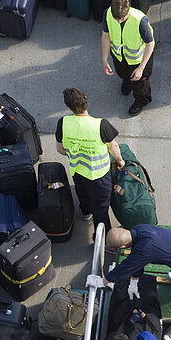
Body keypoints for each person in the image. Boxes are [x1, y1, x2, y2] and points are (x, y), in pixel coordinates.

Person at [104, 226, 171, 340]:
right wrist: (134, 279)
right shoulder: (138, 229)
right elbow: (137, 257)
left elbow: (127, 266)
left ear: (122, 247)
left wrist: (103, 280)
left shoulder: (146, 247)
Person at [56, 88, 125, 240]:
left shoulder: (63, 123)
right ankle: (103, 239)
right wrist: (120, 161)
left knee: (83, 194)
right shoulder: (101, 125)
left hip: (78, 171)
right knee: (100, 209)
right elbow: (113, 147)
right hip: (99, 175)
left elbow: (60, 149)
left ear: (68, 107)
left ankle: (86, 213)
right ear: (86, 100)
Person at [101, 0, 155, 117]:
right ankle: (127, 80)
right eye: (117, 19)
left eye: (122, 19)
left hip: (139, 59)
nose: (119, 21)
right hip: (120, 56)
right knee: (123, 73)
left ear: (128, 10)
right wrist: (104, 60)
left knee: (140, 85)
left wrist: (141, 68)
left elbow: (150, 45)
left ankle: (141, 101)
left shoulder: (140, 21)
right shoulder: (108, 13)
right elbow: (105, 35)